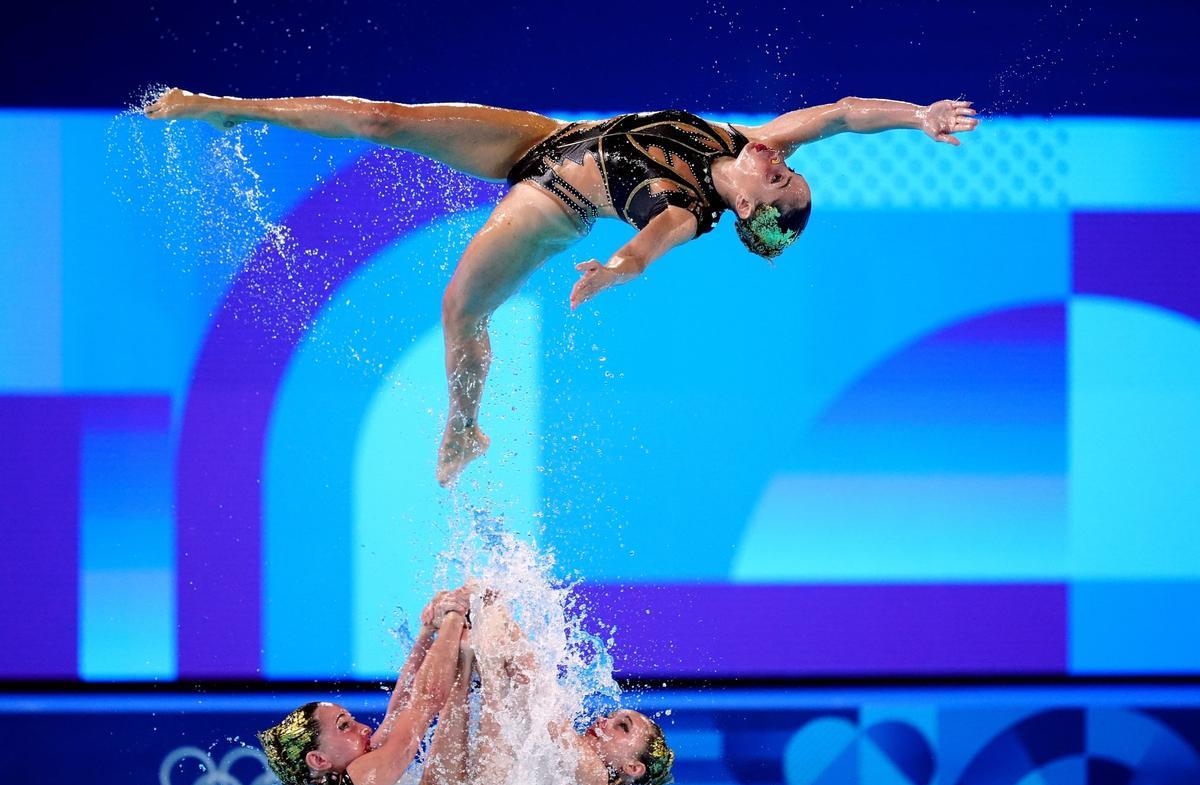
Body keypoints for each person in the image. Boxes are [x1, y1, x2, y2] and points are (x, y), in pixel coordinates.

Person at [145, 90, 978, 485]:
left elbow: (649, 245)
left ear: (754, 211)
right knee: (385, 120)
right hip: (544, 137)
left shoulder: (690, 212)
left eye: (785, 183)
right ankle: (228, 109)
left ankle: (464, 426)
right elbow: (840, 113)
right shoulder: (745, 138)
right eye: (792, 168)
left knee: (461, 307)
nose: (785, 163)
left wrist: (616, 268)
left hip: (551, 202)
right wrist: (919, 118)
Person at [417, 589, 674, 785]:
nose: (603, 721)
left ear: (632, 767)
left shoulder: (596, 777)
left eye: (622, 727)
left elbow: (538, 690)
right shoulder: (574, 774)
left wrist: (494, 609)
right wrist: (494, 615)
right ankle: (468, 656)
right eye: (612, 717)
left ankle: (472, 655)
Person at [257, 588, 470, 785]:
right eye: (344, 726)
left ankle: (466, 660)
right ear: (319, 760)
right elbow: (426, 700)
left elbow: (395, 717)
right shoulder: (353, 784)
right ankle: (471, 662)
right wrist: (455, 614)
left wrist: (427, 632)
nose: (366, 729)